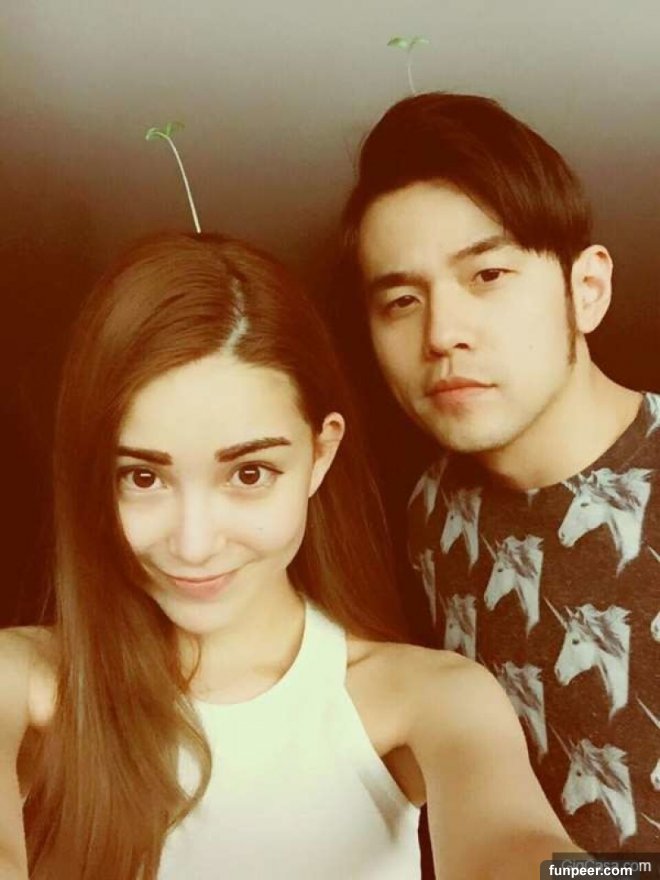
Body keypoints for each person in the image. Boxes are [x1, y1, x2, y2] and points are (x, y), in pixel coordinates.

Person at [0, 232, 578, 879]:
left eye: (249, 474)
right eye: (142, 477)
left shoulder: (430, 700)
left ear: (320, 454)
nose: (194, 544)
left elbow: (525, 853)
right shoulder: (19, 682)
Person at [339, 92, 660, 853]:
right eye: (402, 299)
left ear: (586, 290)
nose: (442, 333)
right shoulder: (430, 507)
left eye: (487, 274)